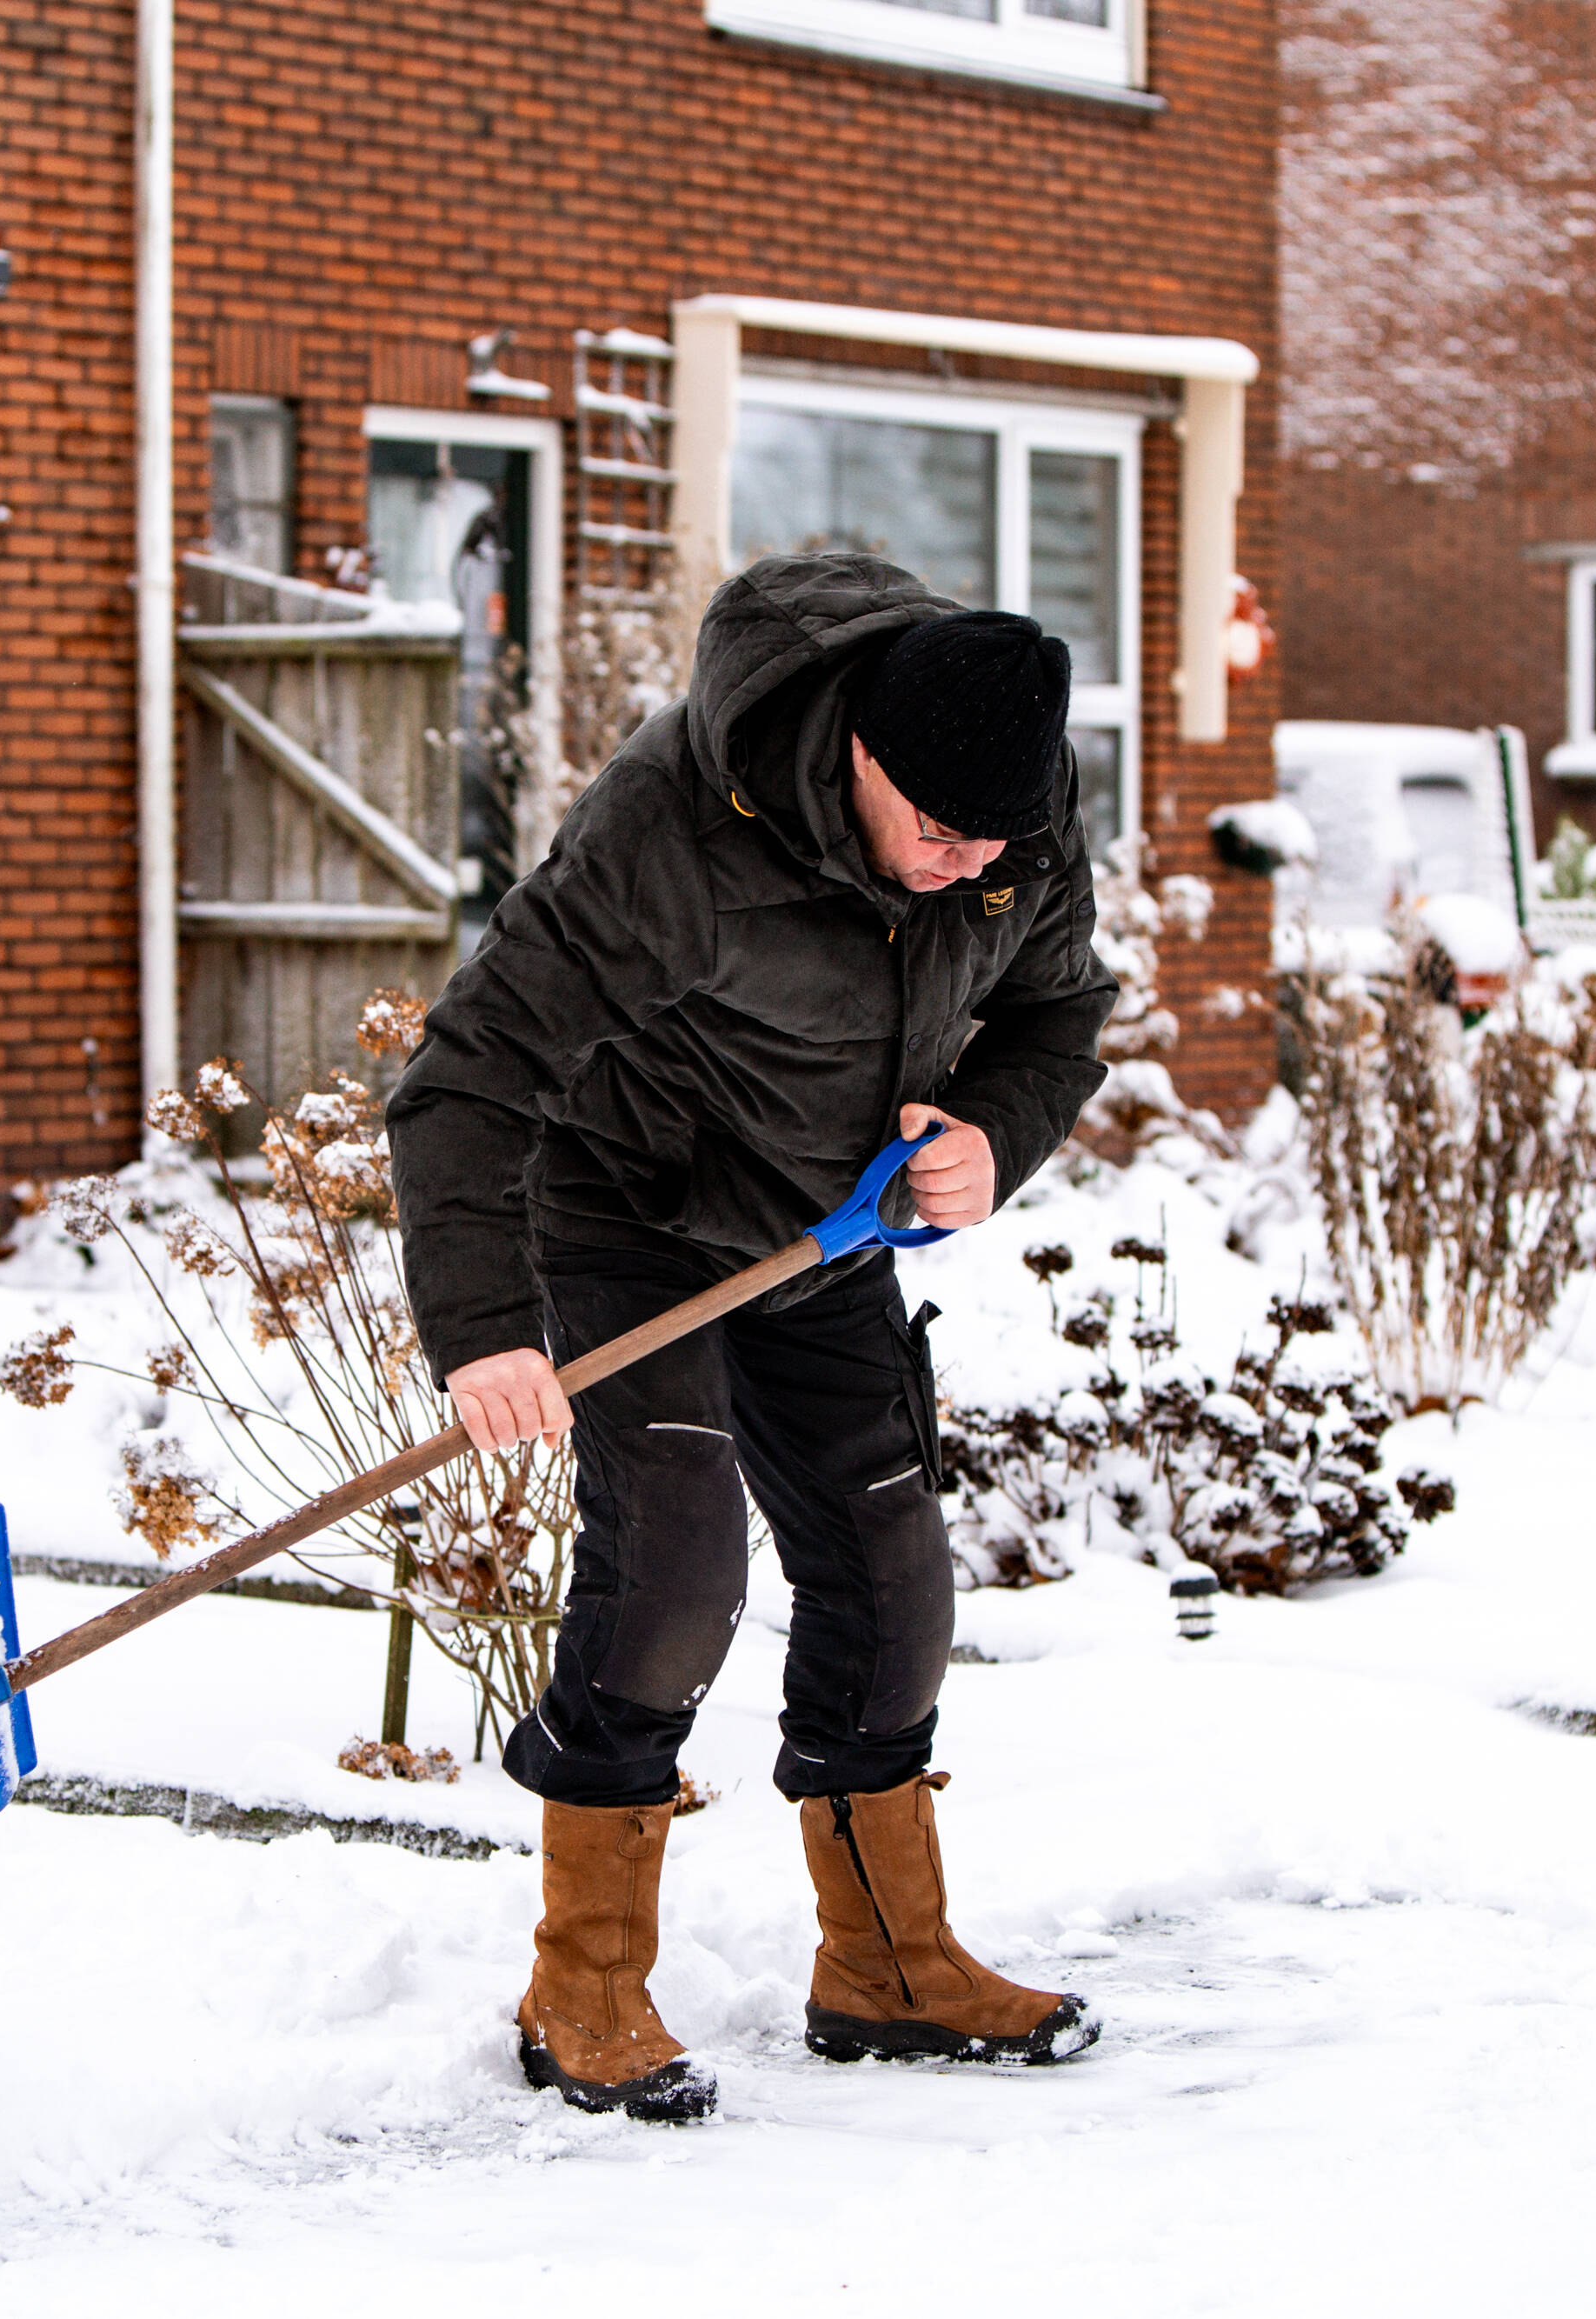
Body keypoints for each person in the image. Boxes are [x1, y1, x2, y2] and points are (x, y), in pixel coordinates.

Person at [386, 552, 1120, 2123]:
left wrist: (992, 1131)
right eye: (937, 827)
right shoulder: (677, 827)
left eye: (996, 837)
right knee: (677, 1565)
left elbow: (1059, 1015)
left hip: (827, 1223)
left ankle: (887, 1965)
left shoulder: (1016, 823)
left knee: (890, 1567)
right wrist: (485, 1330)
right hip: (627, 1209)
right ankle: (582, 1982)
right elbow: (467, 1071)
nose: (967, 861)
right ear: (860, 748)